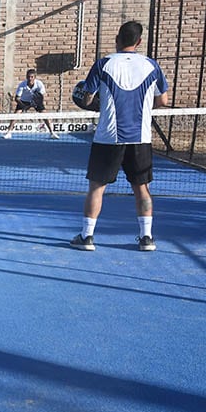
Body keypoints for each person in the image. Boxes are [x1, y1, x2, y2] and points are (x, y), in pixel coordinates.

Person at [70, 21, 169, 252]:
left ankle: (87, 237)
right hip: (140, 138)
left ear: (117, 39)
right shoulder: (151, 65)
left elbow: (86, 99)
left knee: (96, 187)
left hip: (108, 137)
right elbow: (163, 100)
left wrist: (94, 105)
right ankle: (146, 238)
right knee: (142, 188)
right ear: (139, 42)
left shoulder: (104, 64)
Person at [4, 68, 58, 139]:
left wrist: (36, 102)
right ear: (26, 77)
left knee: (45, 115)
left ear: (35, 77)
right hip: (24, 101)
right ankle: (9, 133)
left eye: (32, 77)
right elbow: (17, 98)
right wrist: (23, 106)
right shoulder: (22, 85)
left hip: (36, 101)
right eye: (28, 77)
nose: (30, 78)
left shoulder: (39, 84)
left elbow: (42, 95)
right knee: (15, 115)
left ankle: (52, 133)